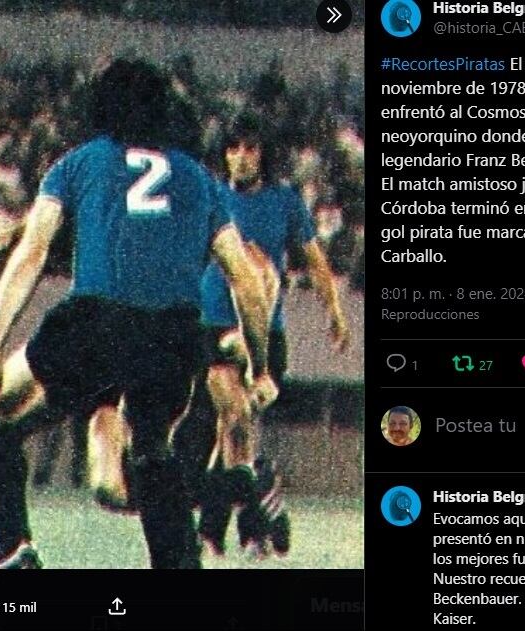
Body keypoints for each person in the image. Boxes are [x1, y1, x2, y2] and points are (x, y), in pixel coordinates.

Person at [0, 59, 278, 569]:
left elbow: (31, 255)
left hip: (95, 326)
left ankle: (12, 551)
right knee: (154, 447)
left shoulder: (78, 163)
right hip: (174, 338)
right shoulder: (200, 180)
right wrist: (260, 367)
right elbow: (245, 280)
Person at [88, 112, 351, 560]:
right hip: (210, 325)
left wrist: (335, 310)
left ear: (263, 155)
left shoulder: (285, 201)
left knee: (235, 431)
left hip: (263, 330)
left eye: (250, 149)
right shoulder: (207, 196)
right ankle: (245, 517)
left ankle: (228, 519)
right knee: (232, 416)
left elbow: (314, 260)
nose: (241, 158)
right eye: (234, 149)